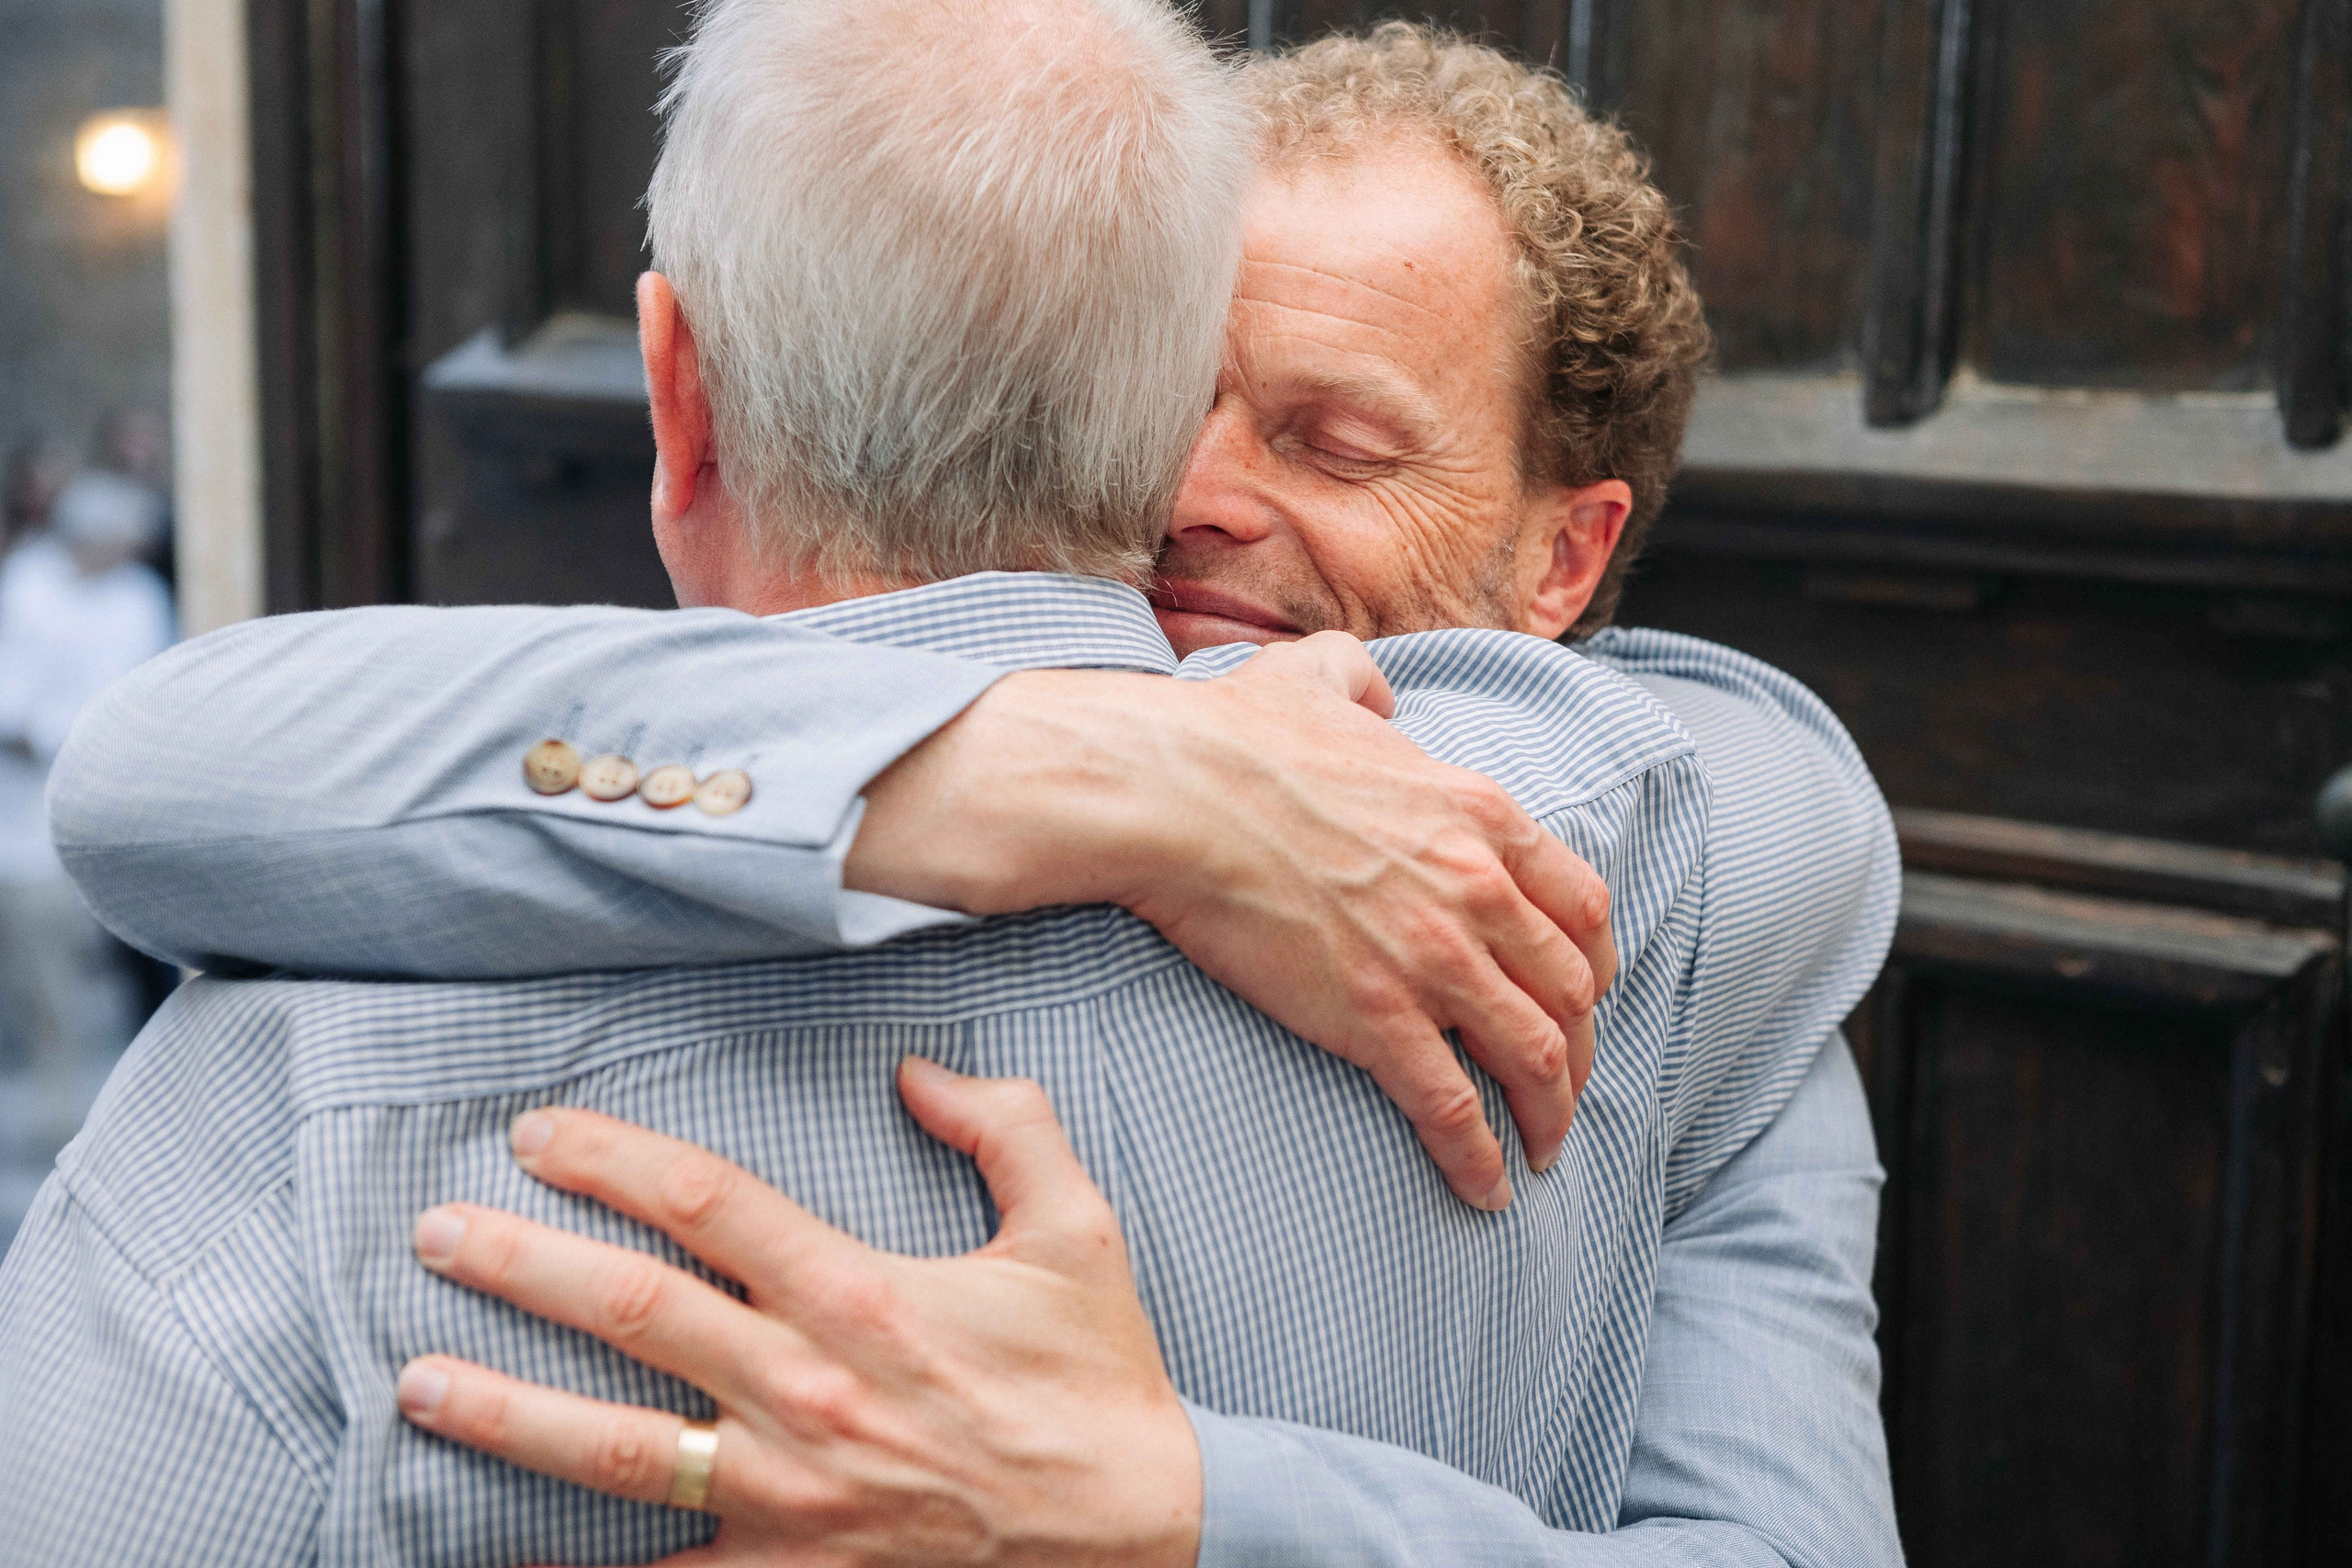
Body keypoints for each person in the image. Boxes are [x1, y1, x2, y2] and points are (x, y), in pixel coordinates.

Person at [1, 13, 1901, 1568]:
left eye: (1331, 440)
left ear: (1564, 563)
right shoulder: (1694, 864)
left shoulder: (1659, 899)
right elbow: (166, 772)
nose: (1196, 495)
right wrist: (1064, 761)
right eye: (1175, 390)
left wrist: (1187, 1509)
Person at [0, 470, 173, 1234]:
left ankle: (143, 1129)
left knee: (150, 983)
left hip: (123, 812)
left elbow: (136, 693)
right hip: (30, 832)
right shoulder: (28, 582)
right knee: (55, 998)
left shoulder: (138, 596)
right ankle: (76, 1134)